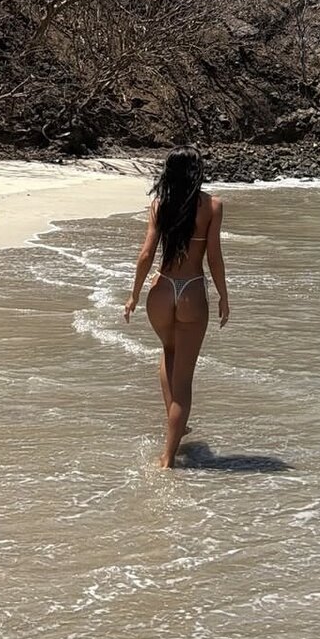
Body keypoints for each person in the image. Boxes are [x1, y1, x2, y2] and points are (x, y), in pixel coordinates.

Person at [124, 146, 229, 468]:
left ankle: (177, 427)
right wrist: (224, 296)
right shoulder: (212, 206)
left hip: (162, 290)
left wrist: (134, 295)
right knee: (183, 382)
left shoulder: (160, 205)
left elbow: (146, 255)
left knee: (168, 352)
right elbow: (214, 257)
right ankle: (168, 457)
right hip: (191, 292)